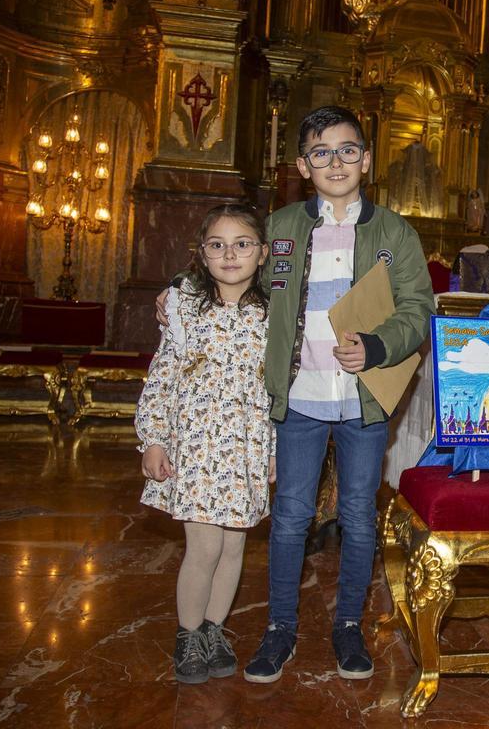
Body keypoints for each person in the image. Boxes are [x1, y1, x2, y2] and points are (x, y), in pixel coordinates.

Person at [159, 106, 433, 684]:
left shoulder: (395, 232)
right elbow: (230, 263)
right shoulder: (281, 226)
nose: (336, 162)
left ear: (368, 158)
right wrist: (178, 290)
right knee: (289, 519)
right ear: (304, 165)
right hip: (298, 399)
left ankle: (348, 628)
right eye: (321, 152)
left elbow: (418, 309)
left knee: (359, 517)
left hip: (363, 400)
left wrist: (379, 347)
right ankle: (280, 628)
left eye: (347, 149)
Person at [137, 203, 274, 685]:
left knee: (234, 545)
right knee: (204, 546)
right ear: (201, 254)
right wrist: (153, 438)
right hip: (195, 442)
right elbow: (163, 375)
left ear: (261, 254)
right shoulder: (183, 307)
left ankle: (215, 629)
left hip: (246, 444)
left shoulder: (273, 315)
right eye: (217, 245)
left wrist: (274, 452)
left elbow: (278, 387)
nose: (229, 254)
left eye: (242, 245)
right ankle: (188, 632)